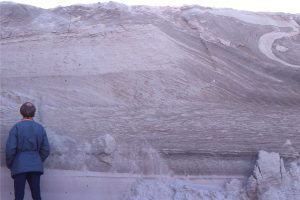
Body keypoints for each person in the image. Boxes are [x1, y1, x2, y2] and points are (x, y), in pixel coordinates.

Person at [5, 102, 50, 200]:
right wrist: (37, 160)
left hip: (19, 165)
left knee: (19, 196)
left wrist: (10, 164)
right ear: (34, 113)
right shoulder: (40, 128)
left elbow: (10, 150)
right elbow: (46, 149)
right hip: (35, 165)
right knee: (37, 195)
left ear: (21, 112)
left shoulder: (16, 128)